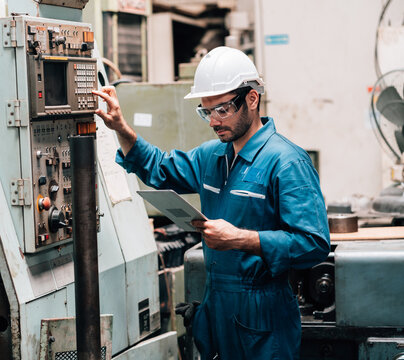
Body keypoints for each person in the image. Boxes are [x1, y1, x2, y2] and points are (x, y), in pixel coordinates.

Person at [92, 46, 330, 360]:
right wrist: (122, 129)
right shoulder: (212, 156)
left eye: (221, 109)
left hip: (264, 311)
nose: (212, 121)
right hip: (218, 305)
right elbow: (161, 168)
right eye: (206, 111)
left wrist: (241, 239)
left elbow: (313, 243)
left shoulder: (286, 162)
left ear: (252, 100)